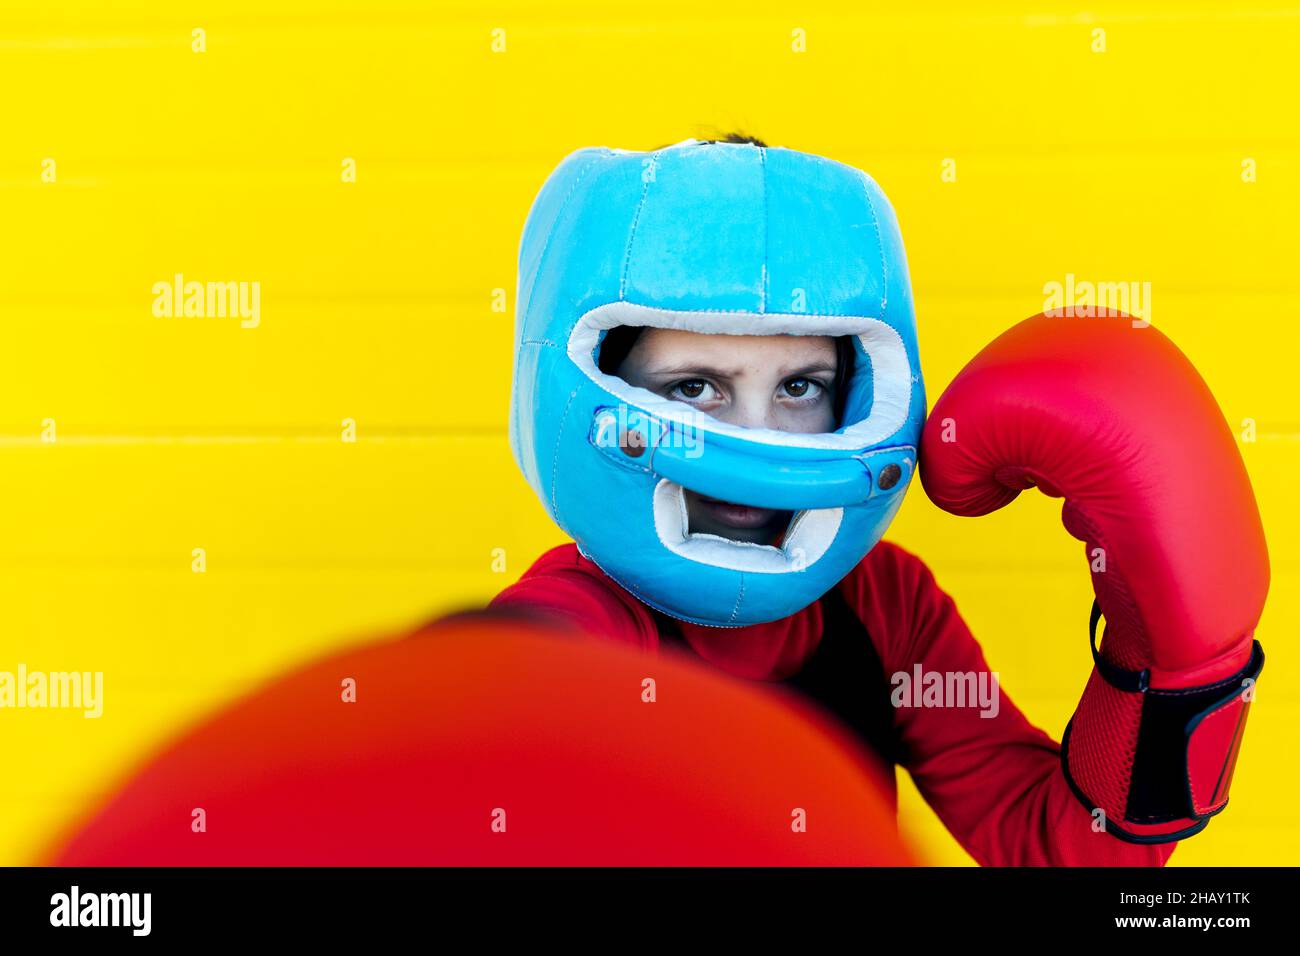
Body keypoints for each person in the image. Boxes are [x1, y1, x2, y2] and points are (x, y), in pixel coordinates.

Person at [492, 134, 1268, 865]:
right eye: (696, 387)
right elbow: (496, 701)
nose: (764, 438)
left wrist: (1173, 666)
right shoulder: (579, 618)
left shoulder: (885, 602)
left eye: (800, 387)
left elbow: (1067, 846)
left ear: (855, 395)